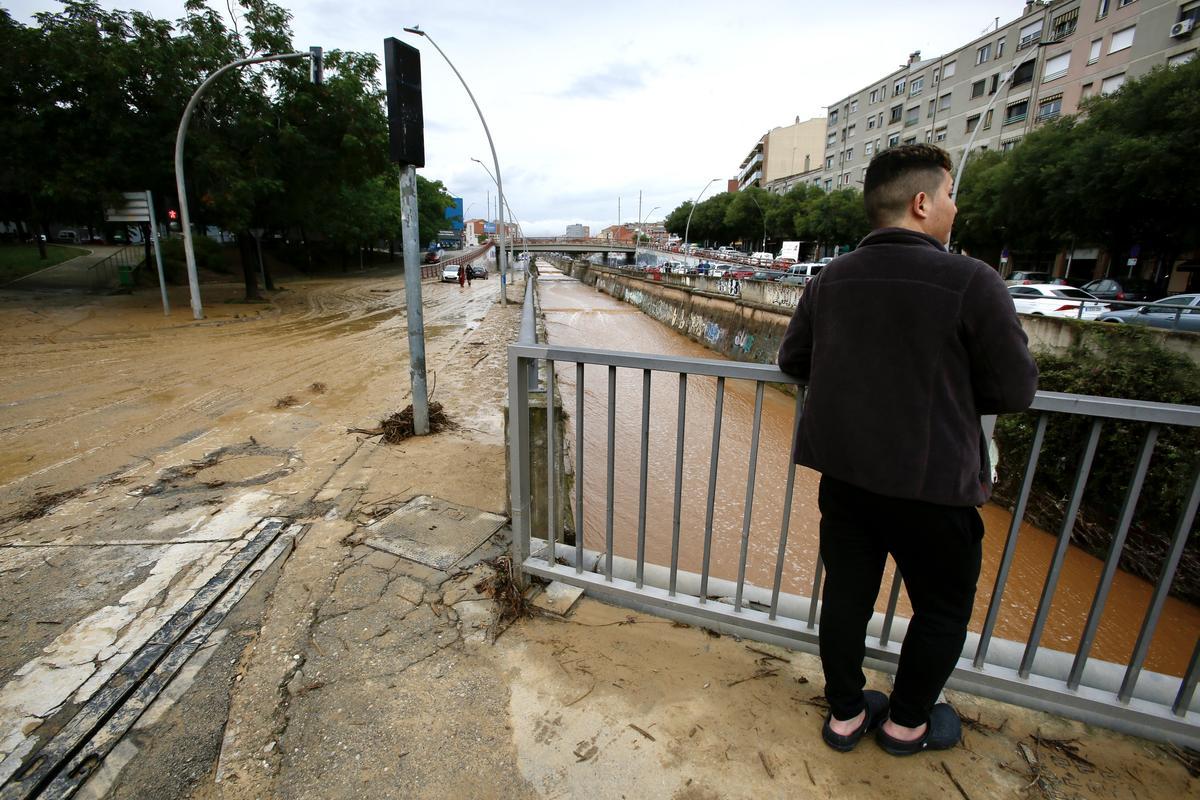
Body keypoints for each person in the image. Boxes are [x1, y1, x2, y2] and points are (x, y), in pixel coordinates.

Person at [776, 144, 1037, 756]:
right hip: (936, 489)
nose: (954, 205)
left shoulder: (829, 280)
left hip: (847, 481)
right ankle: (906, 723)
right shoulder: (972, 279)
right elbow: (1015, 389)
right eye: (949, 194)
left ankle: (844, 716)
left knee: (846, 598)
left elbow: (793, 361)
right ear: (922, 203)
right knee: (941, 610)